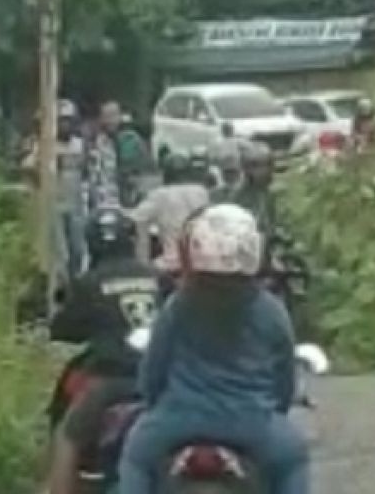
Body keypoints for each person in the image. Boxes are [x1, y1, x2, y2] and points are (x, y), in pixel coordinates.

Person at [117, 204, 310, 494]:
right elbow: (284, 379)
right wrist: (277, 411)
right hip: (254, 422)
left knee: (134, 461)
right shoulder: (270, 310)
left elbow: (153, 372)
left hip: (176, 420)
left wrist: (154, 404)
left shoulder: (179, 305)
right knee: (294, 461)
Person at [46, 209, 163, 494]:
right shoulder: (158, 278)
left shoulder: (88, 283)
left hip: (111, 380)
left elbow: (63, 329)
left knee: (68, 435)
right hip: (161, 380)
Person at [24, 99, 89, 281]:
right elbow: (28, 168)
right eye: (61, 121)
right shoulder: (42, 146)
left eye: (68, 121)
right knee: (60, 252)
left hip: (75, 205)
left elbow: (87, 172)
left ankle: (76, 280)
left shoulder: (80, 144)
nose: (65, 125)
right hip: (53, 204)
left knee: (78, 249)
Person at [127, 153, 210, 268]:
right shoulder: (201, 192)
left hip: (173, 261)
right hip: (202, 260)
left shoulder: (160, 195)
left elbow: (136, 219)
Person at [90, 101, 153, 210]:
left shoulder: (130, 139)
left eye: (113, 116)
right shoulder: (98, 140)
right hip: (103, 197)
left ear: (120, 116)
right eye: (106, 116)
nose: (109, 121)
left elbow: (139, 169)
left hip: (127, 196)